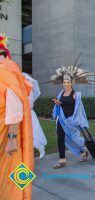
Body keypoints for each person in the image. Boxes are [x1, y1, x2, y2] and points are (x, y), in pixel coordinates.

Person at [0, 34, 34, 199]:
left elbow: (15, 105)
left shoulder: (5, 70)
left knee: (10, 171)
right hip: (7, 131)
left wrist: (12, 137)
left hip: (8, 134)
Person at [51, 67, 90, 169]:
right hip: (61, 119)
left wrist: (79, 120)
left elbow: (79, 110)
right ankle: (62, 160)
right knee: (60, 137)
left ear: (72, 83)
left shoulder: (76, 95)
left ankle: (83, 152)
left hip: (71, 121)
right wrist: (57, 103)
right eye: (64, 82)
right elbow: (60, 105)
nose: (66, 84)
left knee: (74, 139)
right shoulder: (61, 94)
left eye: (68, 82)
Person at [23, 73, 47, 159]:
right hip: (22, 114)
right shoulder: (21, 91)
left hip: (29, 114)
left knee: (34, 133)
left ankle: (40, 148)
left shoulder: (30, 94)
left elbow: (28, 104)